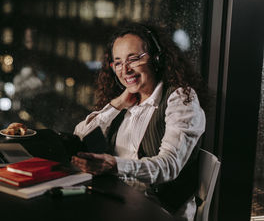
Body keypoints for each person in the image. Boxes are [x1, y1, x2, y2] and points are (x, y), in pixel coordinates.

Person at [71, 23, 207, 221]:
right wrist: (116, 104)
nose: (125, 69)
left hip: (158, 210)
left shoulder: (180, 100)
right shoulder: (127, 102)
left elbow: (168, 166)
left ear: (157, 58)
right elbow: (80, 136)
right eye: (117, 62)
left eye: (133, 59)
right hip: (119, 201)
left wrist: (115, 165)